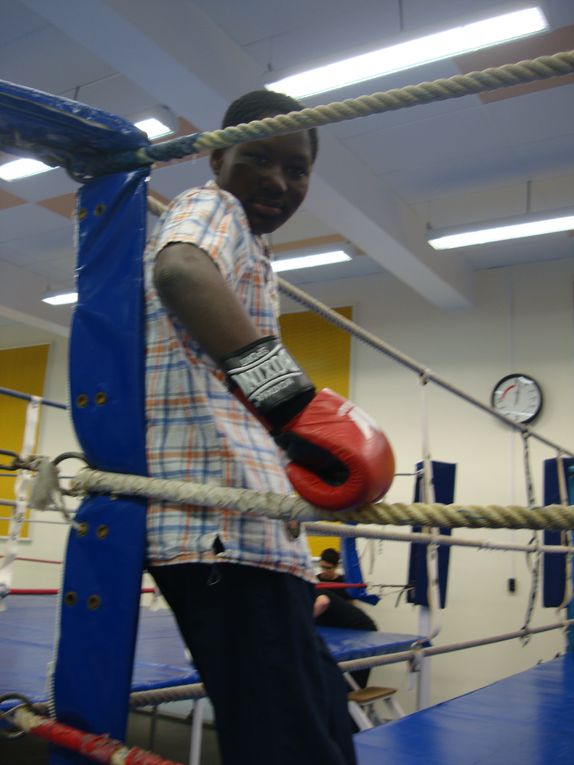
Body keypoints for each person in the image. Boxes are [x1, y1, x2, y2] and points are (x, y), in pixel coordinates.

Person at [143, 89, 393, 765]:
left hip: (253, 530)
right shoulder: (211, 207)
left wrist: (289, 435)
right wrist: (291, 406)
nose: (278, 181)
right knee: (286, 742)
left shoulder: (250, 245)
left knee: (323, 730)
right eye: (258, 158)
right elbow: (181, 269)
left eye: (297, 167)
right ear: (218, 154)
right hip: (216, 529)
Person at [315, 547, 378, 688]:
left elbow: (349, 606)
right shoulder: (316, 582)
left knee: (352, 676)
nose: (324, 571)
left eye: (328, 568)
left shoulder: (344, 583)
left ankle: (354, 695)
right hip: (326, 632)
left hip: (345, 631)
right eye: (322, 567)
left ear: (335, 566)